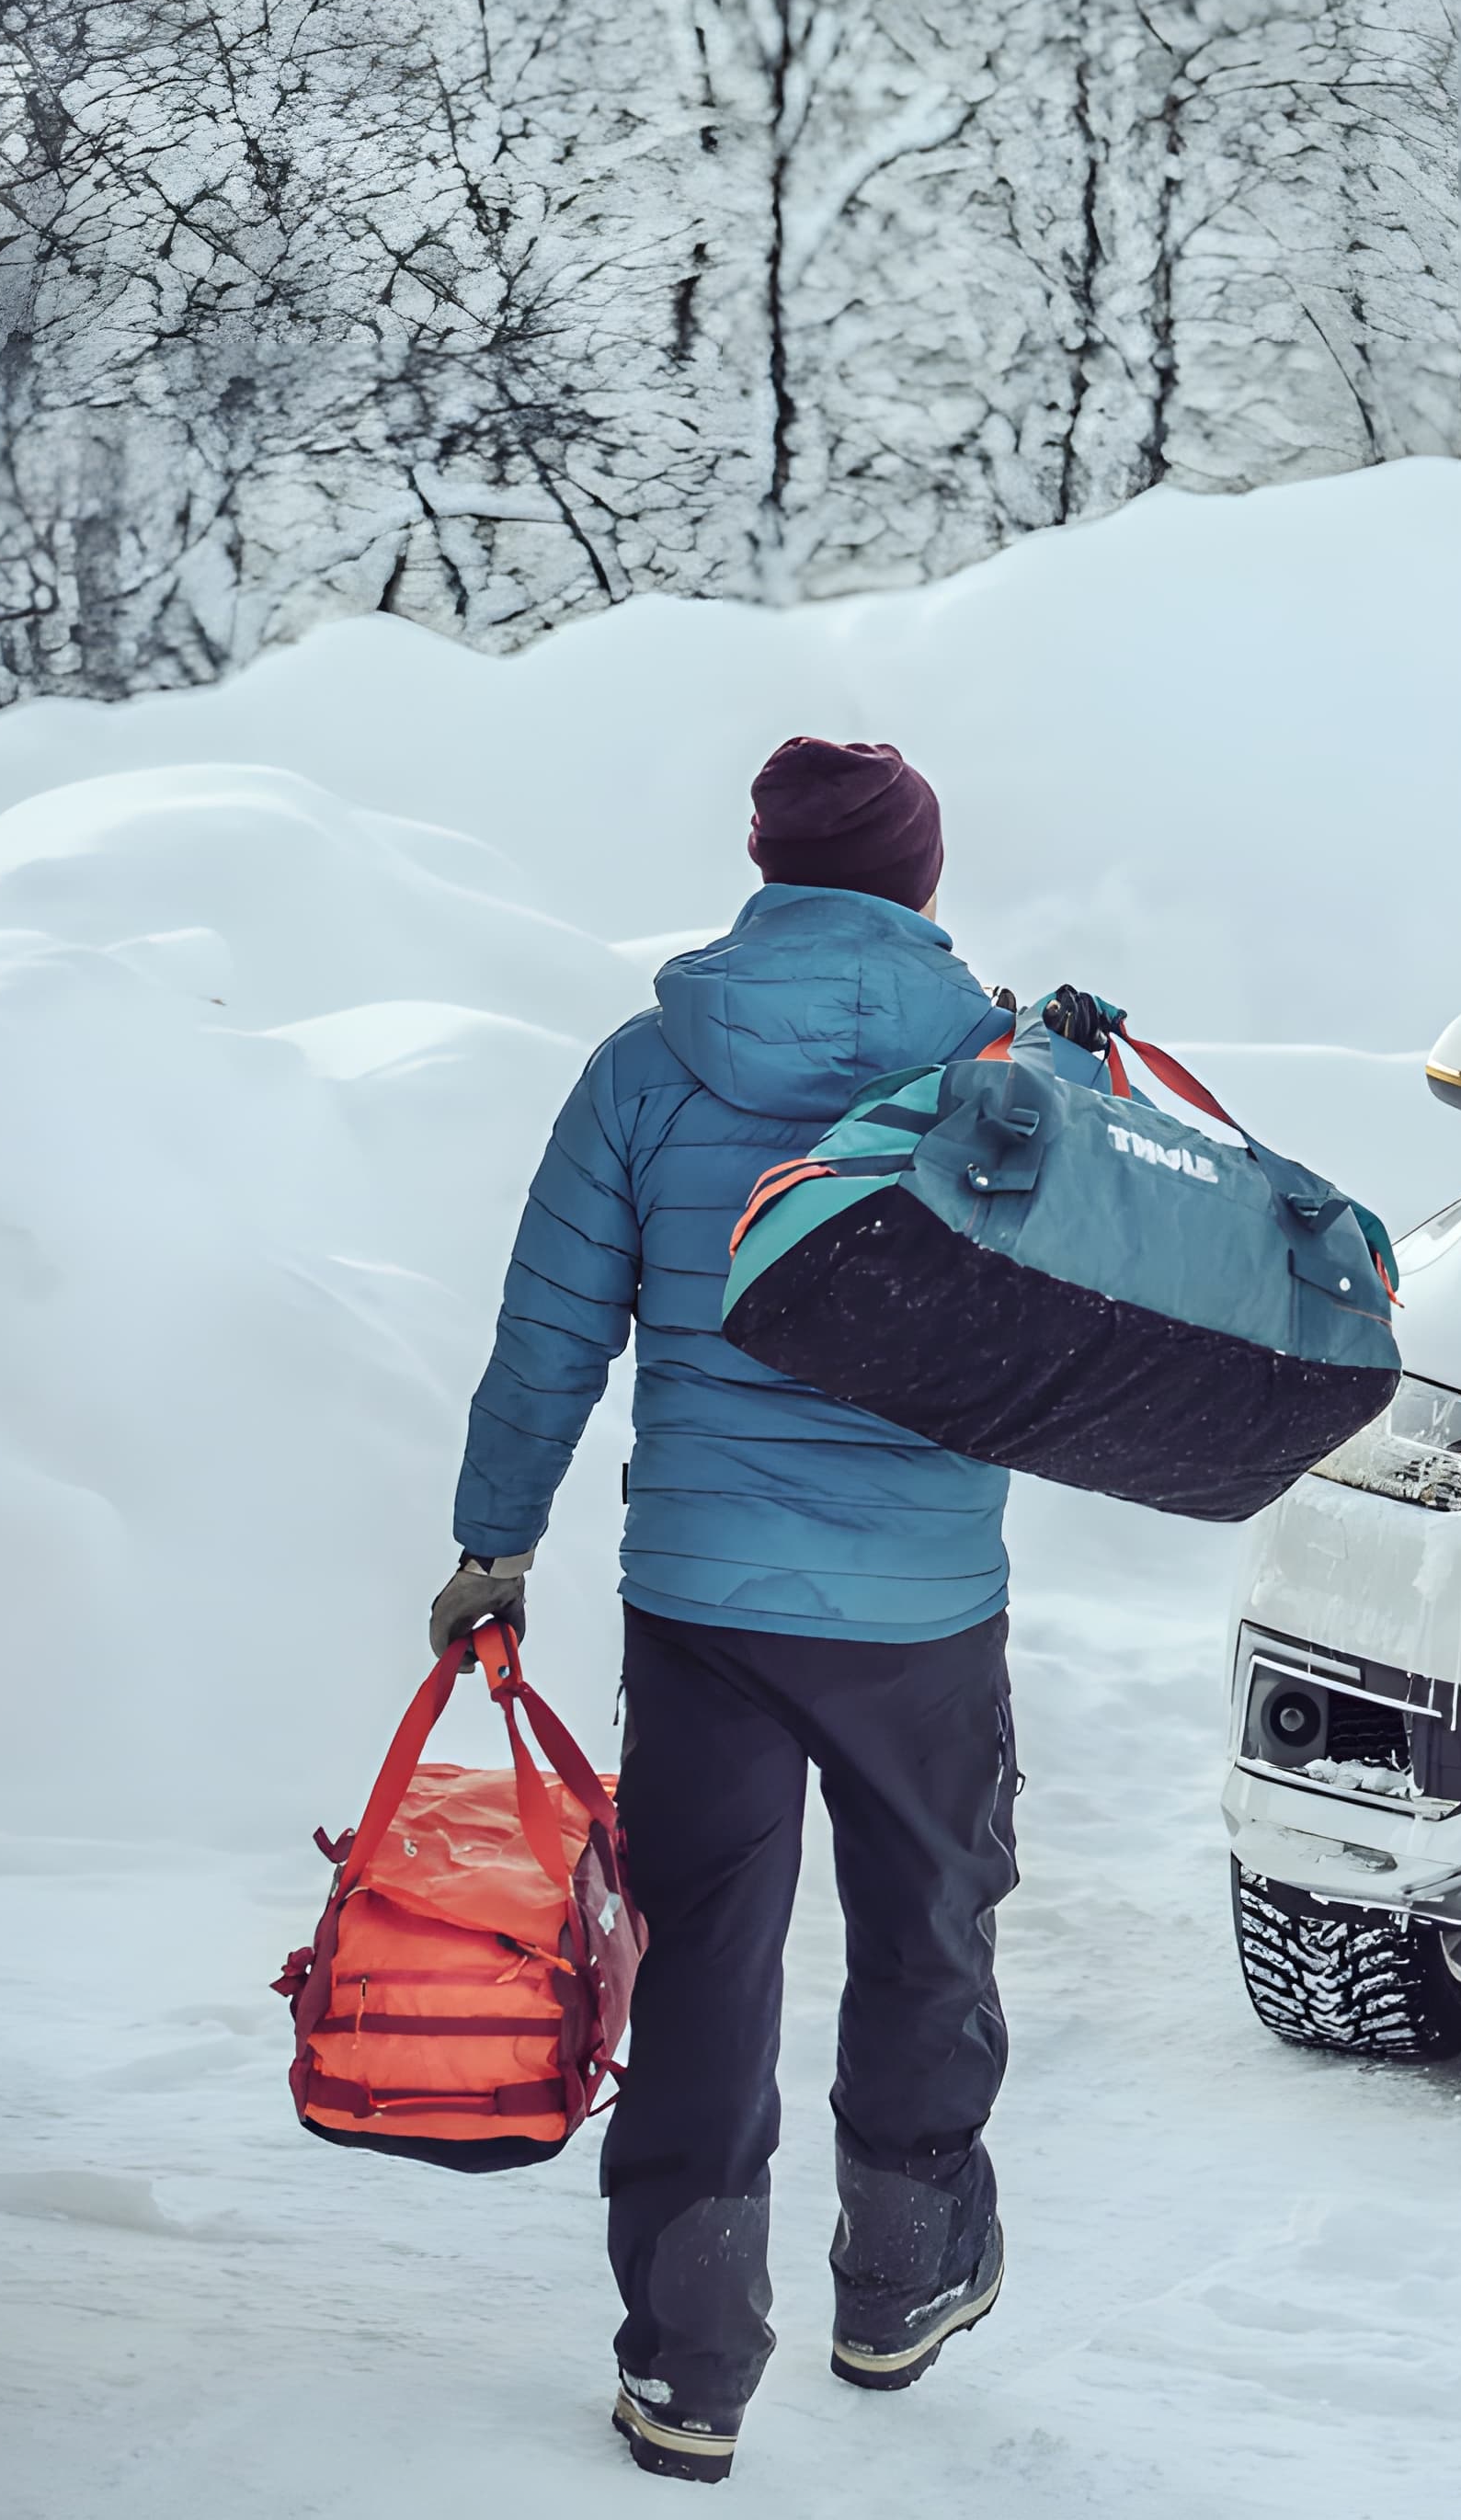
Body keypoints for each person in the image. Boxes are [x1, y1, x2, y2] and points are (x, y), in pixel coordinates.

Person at [435, 738, 1019, 2483]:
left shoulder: (646, 1070)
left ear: (766, 865)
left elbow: (551, 1335)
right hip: (925, 1601)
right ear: (919, 878)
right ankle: (900, 2280)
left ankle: (689, 2363)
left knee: (703, 1954)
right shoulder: (996, 1073)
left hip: (704, 1597)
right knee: (929, 1924)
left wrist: (494, 1544)